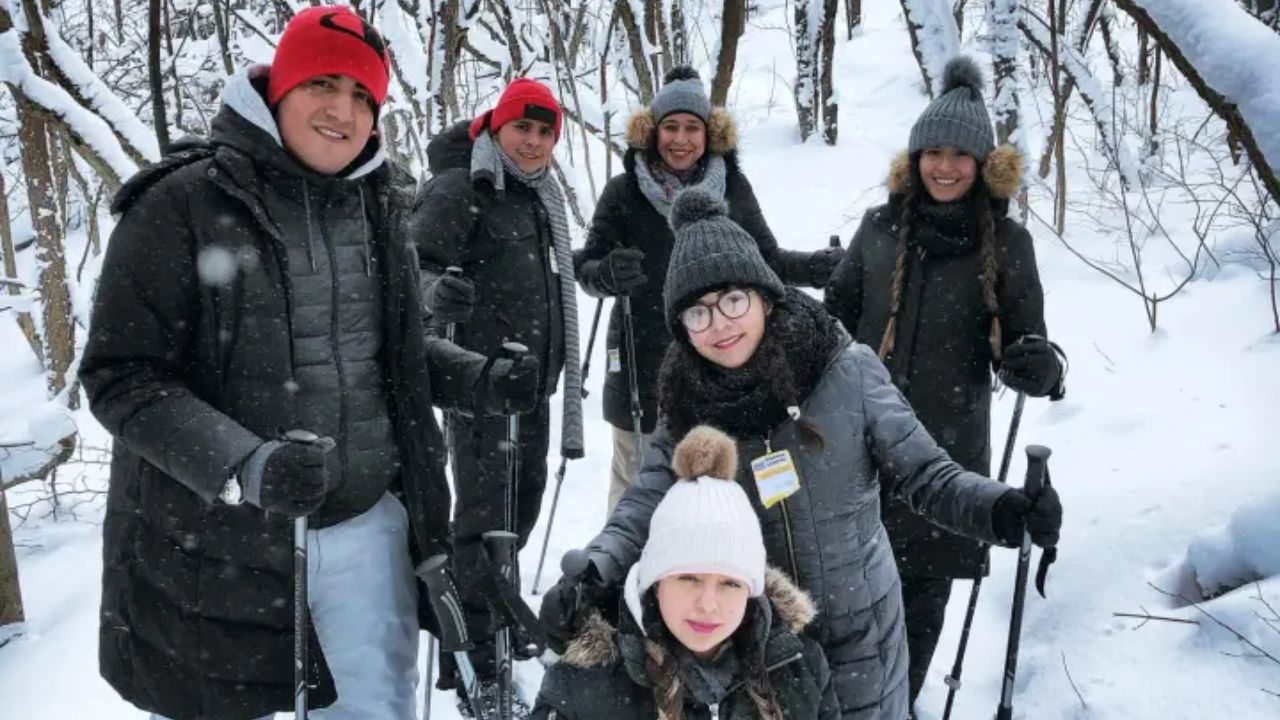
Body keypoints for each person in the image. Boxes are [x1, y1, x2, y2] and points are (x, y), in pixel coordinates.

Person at [80, 7, 535, 719]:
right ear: (279, 87)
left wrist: (475, 379)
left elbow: (395, 354)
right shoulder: (181, 204)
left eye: (363, 96)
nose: (343, 110)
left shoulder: (380, 204)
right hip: (220, 554)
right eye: (324, 82)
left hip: (367, 528)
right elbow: (122, 377)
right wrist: (245, 464)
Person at [539, 188, 1063, 719]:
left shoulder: (845, 370)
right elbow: (643, 505)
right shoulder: (685, 405)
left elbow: (928, 475)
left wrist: (1002, 510)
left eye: (733, 300)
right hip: (768, 658)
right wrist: (597, 569)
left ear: (766, 294)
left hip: (864, 640)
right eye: (697, 312)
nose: (720, 324)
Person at [823, 55, 1066, 709]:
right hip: (855, 459)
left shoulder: (1008, 244)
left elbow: (1033, 345)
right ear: (916, 157)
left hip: (947, 468)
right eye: (933, 151)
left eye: (961, 153)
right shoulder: (879, 230)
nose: (946, 166)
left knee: (910, 645)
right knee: (836, 638)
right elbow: (829, 322)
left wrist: (1041, 366)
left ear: (984, 162)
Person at [574, 66, 844, 513]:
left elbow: (767, 261)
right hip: (642, 368)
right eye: (671, 127)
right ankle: (621, 579)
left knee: (716, 497)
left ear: (709, 135)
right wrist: (605, 274)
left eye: (692, 128)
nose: (681, 139)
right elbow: (584, 265)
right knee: (638, 494)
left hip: (720, 367)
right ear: (653, 131)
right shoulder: (623, 193)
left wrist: (815, 268)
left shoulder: (732, 189)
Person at [407, 77, 582, 712]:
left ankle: (493, 623)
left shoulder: (537, 197)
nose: (533, 142)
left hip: (530, 389)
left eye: (544, 132)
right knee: (482, 527)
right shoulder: (464, 187)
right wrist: (435, 295)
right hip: (478, 390)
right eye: (522, 129)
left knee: (516, 515)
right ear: (496, 128)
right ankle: (475, 663)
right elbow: (412, 269)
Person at [532, 425, 838, 719]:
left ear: (751, 591)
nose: (707, 603)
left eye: (730, 583)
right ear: (655, 583)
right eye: (689, 578)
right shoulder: (583, 685)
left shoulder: (801, 669)